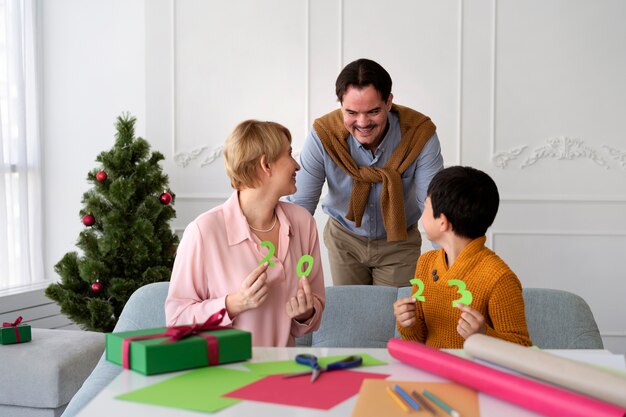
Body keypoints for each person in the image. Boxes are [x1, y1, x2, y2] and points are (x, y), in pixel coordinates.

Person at [165, 120, 325, 347]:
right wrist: (234, 304)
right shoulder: (204, 232)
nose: (296, 166)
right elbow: (176, 320)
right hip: (225, 374)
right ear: (266, 165)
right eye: (289, 154)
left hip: (283, 372)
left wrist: (305, 313)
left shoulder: (303, 223)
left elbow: (314, 313)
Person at [288, 58, 444, 287]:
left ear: (389, 102)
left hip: (399, 242)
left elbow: (433, 205)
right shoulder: (323, 135)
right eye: (351, 112)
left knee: (395, 320)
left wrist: (452, 263)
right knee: (353, 317)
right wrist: (284, 265)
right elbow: (301, 205)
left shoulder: (419, 133)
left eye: (373, 111)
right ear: (340, 104)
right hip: (344, 241)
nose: (362, 123)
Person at [393, 166, 532, 348]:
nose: (422, 214)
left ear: (443, 222)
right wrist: (408, 325)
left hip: (475, 374)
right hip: (430, 371)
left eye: (426, 206)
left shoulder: (500, 278)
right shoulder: (426, 263)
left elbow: (523, 348)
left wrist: (483, 335)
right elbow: (418, 342)